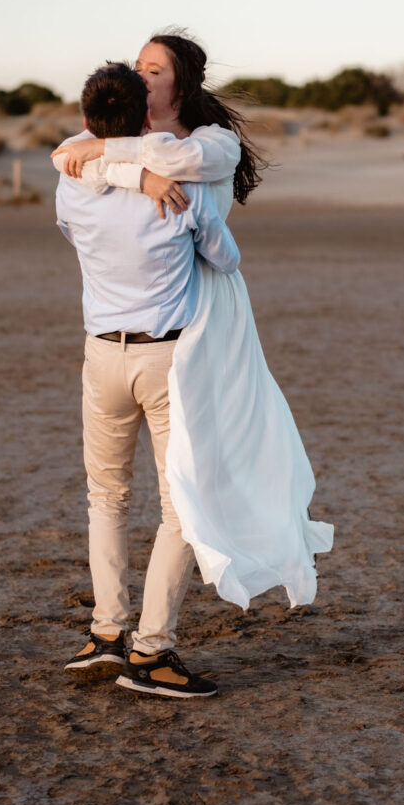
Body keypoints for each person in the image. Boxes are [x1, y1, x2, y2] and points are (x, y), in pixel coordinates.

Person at [55, 32, 334, 621]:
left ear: (181, 85)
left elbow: (109, 161)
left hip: (196, 326)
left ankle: (115, 629)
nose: (143, 74)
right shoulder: (98, 151)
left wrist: (125, 163)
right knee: (164, 497)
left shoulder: (211, 144)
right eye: (138, 67)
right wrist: (140, 178)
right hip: (168, 330)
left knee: (157, 489)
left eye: (155, 69)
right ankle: (147, 641)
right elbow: (66, 155)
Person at [55, 61, 241, 698]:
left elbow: (77, 197)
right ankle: (152, 652)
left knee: (105, 497)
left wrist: (118, 172)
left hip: (101, 355)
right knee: (179, 506)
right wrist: (163, 190)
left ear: (87, 124)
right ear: (142, 123)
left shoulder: (71, 187)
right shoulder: (173, 193)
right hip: (164, 362)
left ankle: (106, 633)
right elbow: (226, 257)